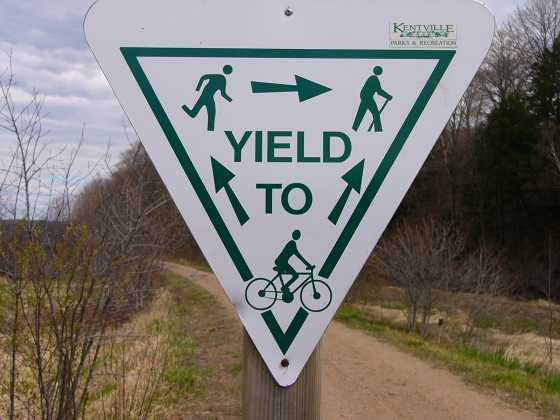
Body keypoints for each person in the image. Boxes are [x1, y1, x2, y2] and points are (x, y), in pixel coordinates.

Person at [182, 65, 233, 131]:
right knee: (193, 114)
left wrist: (231, 100)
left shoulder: (223, 80)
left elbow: (223, 94)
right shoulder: (218, 77)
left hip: (209, 98)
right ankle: (183, 106)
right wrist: (198, 88)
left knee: (211, 116)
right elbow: (203, 77)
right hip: (204, 97)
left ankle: (210, 132)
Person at [352, 66, 392, 133]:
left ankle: (354, 128)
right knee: (375, 113)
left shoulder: (372, 78)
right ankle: (378, 130)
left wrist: (387, 96)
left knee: (361, 113)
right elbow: (379, 91)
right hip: (367, 98)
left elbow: (378, 91)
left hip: (365, 97)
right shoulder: (374, 79)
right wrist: (388, 96)